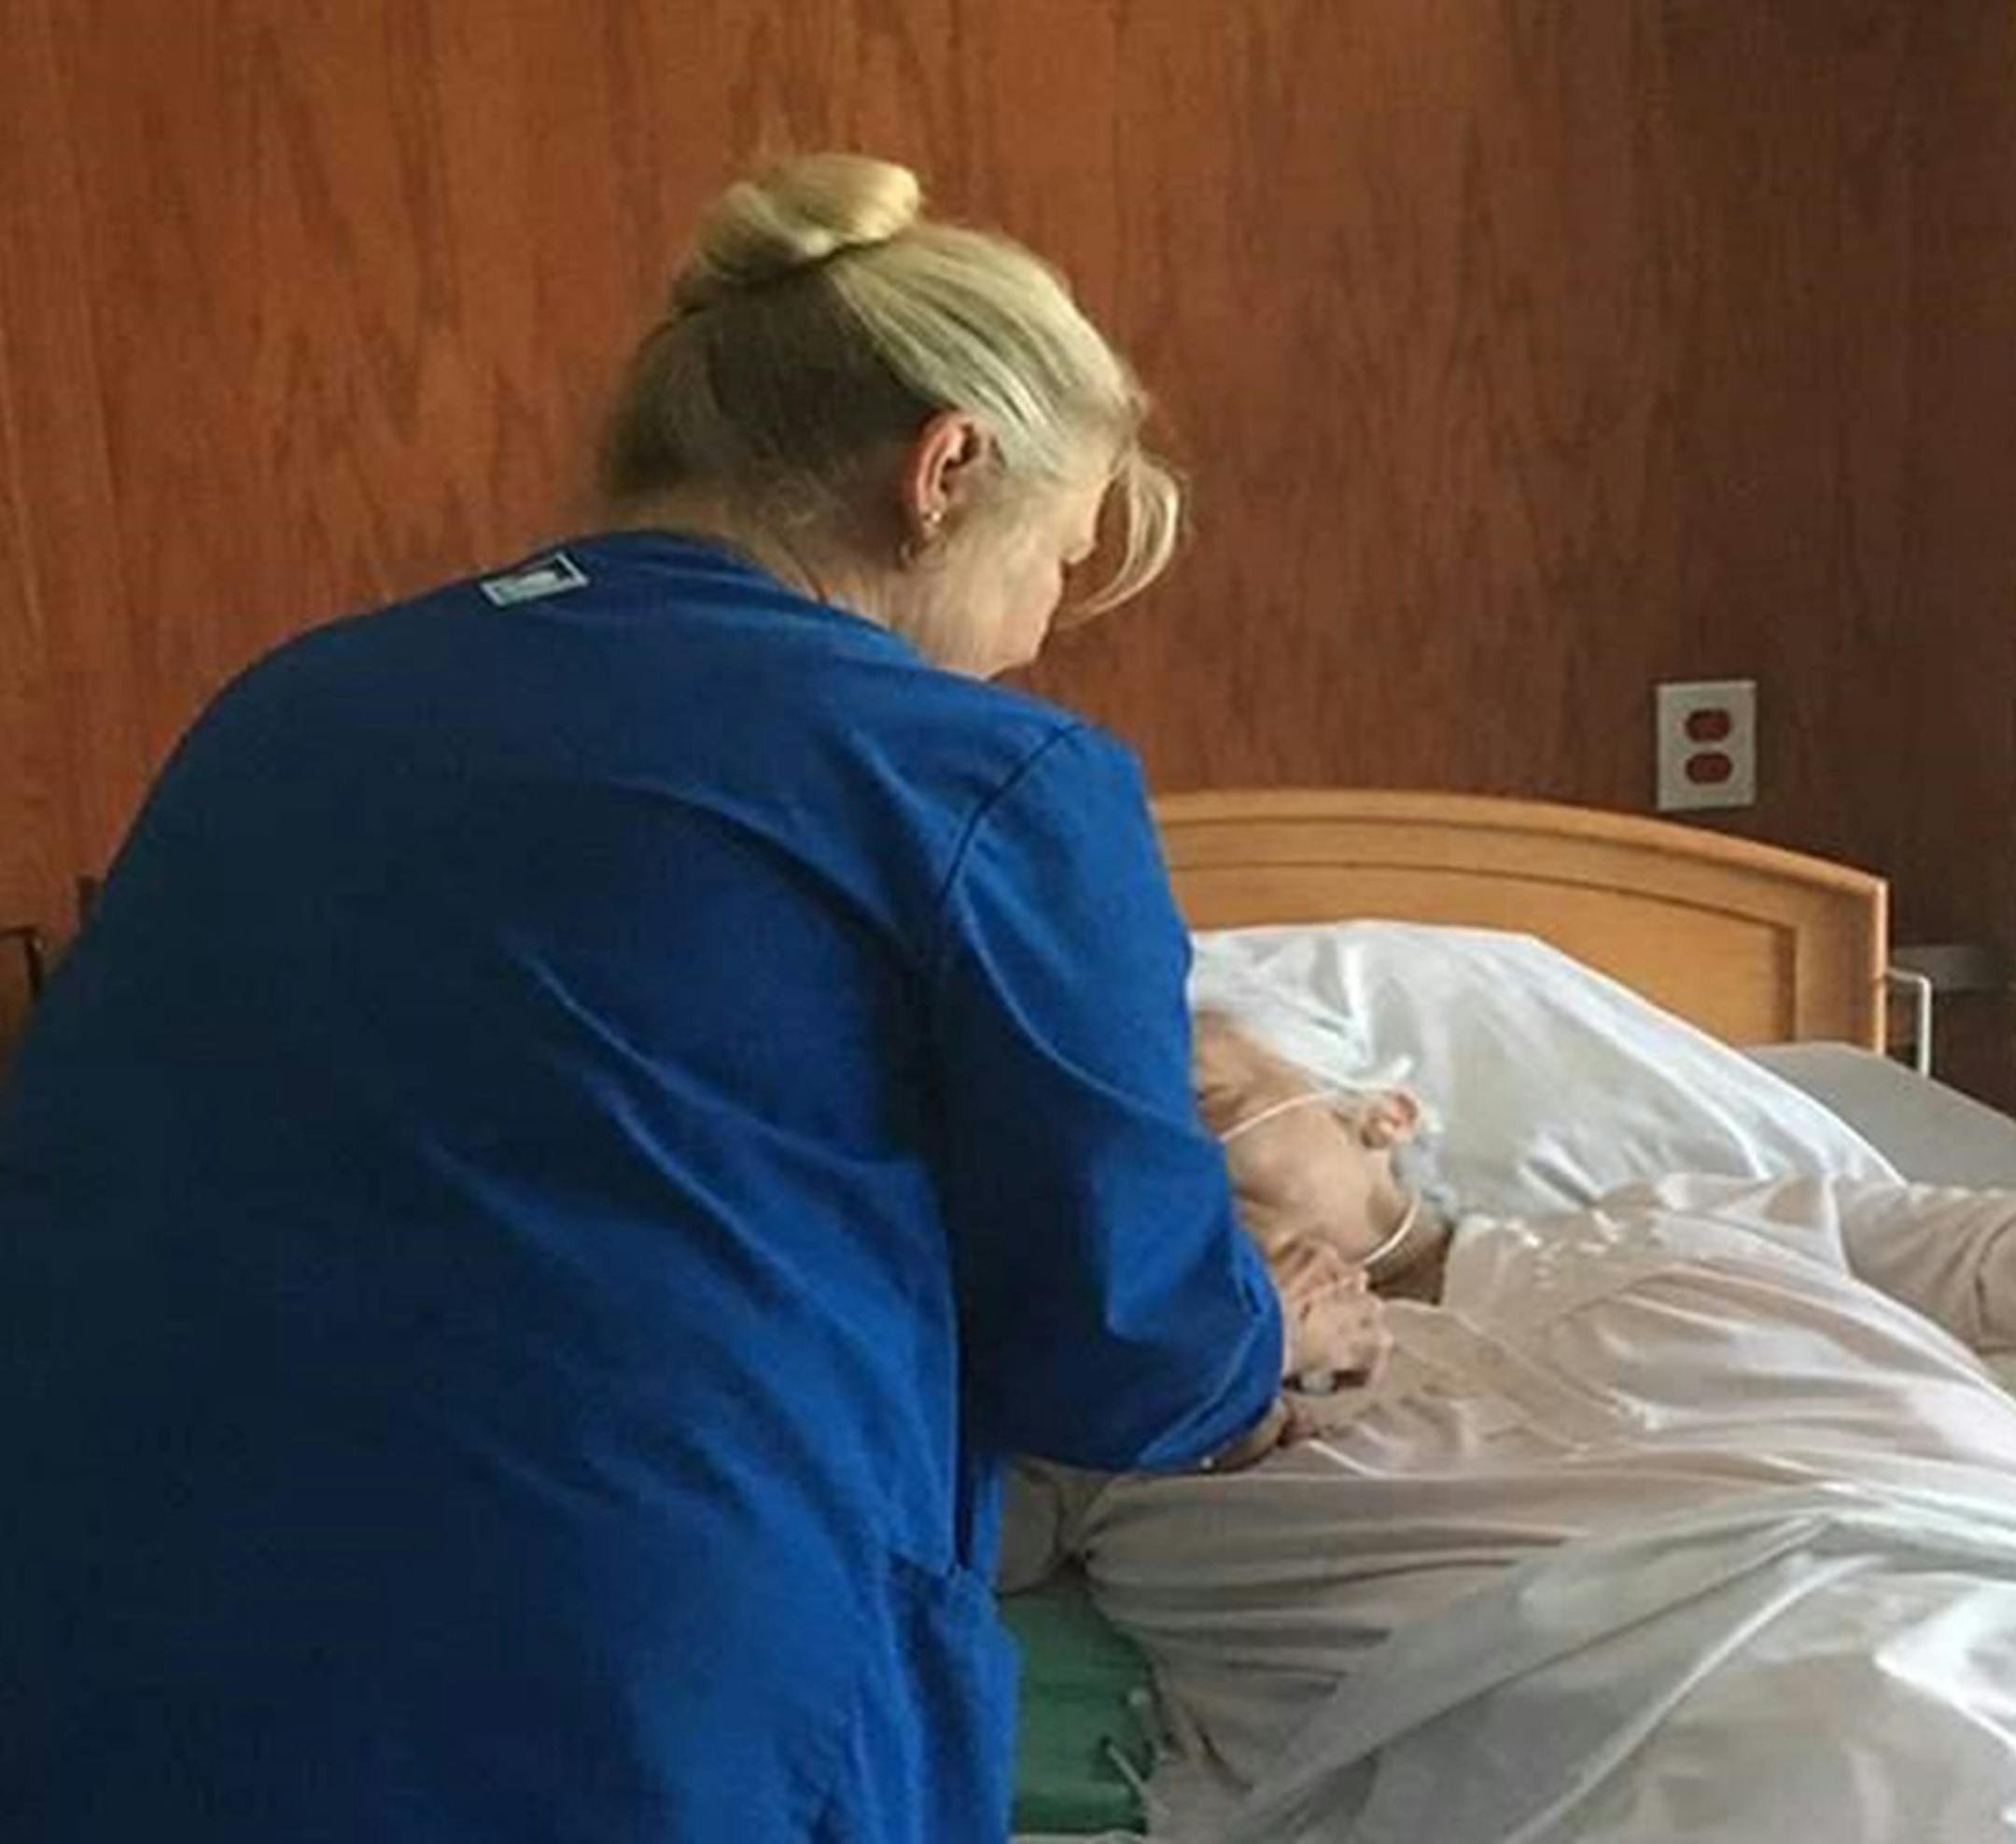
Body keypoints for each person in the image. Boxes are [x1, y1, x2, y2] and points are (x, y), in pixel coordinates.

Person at [0, 156, 1377, 1844]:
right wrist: (1265, 1332)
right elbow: (1124, 1342)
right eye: (1060, 565)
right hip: (613, 1689)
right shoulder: (975, 776)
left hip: (108, 1626)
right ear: (945, 469)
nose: (1033, 639)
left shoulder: (292, 704)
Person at [1007, 1014, 2016, 1841]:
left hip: (1966, 1569)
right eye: (1113, 1151)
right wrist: (1224, 1360)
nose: (1160, 1160)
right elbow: (888, 1541)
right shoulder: (1084, 1423)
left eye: (1199, 1105)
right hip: (1639, 1727)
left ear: (1380, 1113)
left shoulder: (1688, 1218)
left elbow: (1987, 1255)